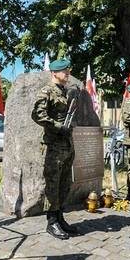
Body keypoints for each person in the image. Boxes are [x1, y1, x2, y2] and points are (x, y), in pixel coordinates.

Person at [31, 58, 79, 240]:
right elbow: (37, 115)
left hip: (66, 145)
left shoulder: (63, 91)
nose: (67, 73)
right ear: (54, 73)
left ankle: (60, 218)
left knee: (63, 184)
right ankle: (52, 223)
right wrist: (59, 127)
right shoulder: (46, 91)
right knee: (52, 185)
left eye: (67, 70)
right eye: (64, 71)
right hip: (53, 147)